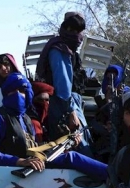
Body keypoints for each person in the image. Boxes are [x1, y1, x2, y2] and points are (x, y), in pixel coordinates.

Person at [0, 72, 107, 180]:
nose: (18, 94)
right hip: (14, 170)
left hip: (34, 161)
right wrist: (20, 161)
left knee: (70, 154)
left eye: (22, 90)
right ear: (6, 94)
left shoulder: (26, 119)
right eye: (13, 91)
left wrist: (64, 143)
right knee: (72, 158)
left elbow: (32, 147)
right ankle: (113, 176)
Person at [35, 12, 94, 155]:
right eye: (74, 30)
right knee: (81, 147)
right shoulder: (60, 49)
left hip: (67, 103)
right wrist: (71, 112)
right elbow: (63, 86)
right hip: (63, 105)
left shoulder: (65, 48)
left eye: (80, 31)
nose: (78, 35)